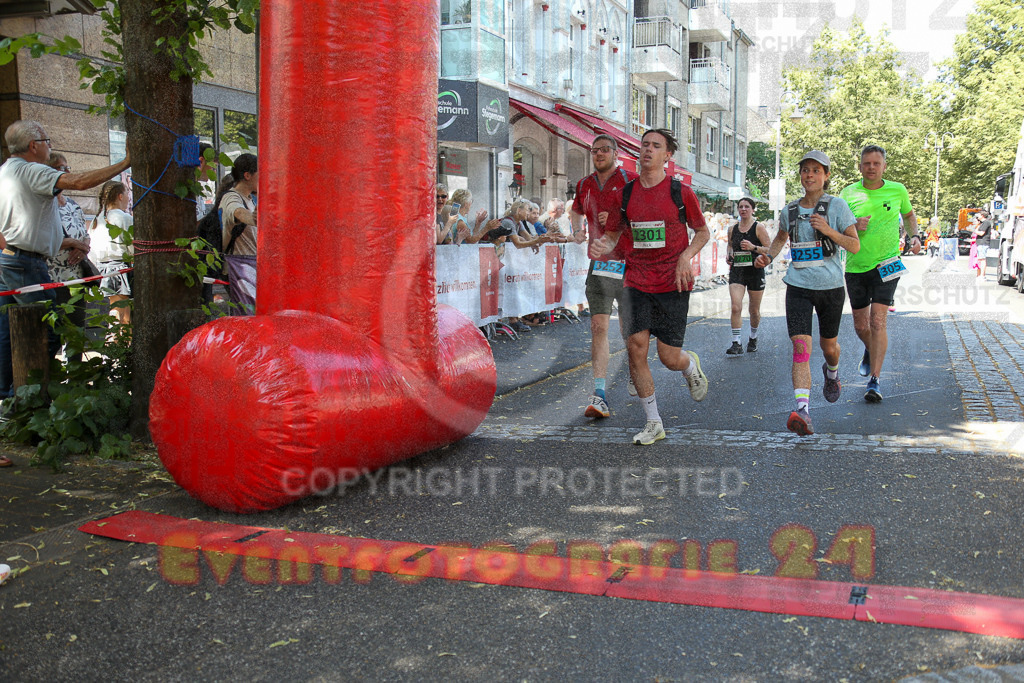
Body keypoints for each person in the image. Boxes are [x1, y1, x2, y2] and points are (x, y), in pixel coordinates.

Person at [590, 129, 710, 445]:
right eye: (645, 144)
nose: (648, 150)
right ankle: (653, 422)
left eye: (656, 146)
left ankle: (689, 366)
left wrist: (685, 256)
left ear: (667, 156)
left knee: (668, 357)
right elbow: (614, 234)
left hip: (672, 282)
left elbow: (702, 232)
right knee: (636, 347)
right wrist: (604, 244)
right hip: (636, 282)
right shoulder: (625, 195)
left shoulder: (681, 192)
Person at [0, 120, 130, 403]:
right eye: (47, 141)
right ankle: (30, 399)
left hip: (13, 259)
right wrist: (124, 163)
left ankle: (9, 396)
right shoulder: (32, 170)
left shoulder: (6, 171)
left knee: (9, 332)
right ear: (33, 146)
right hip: (27, 263)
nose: (50, 147)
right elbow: (80, 182)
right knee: (48, 331)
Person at [756, 150, 860, 436]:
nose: (809, 175)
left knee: (829, 347)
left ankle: (832, 372)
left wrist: (828, 230)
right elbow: (779, 239)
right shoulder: (790, 211)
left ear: (826, 176)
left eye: (816, 170)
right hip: (798, 287)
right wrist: (768, 257)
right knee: (801, 347)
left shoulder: (837, 206)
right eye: (805, 170)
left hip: (830, 288)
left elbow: (854, 245)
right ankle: (803, 410)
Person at [838, 145, 917, 403]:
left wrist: (915, 236)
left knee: (878, 322)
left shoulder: (898, 190)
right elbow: (836, 226)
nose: (871, 167)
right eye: (867, 163)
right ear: (860, 166)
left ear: (884, 166)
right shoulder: (848, 193)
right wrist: (853, 225)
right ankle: (871, 349)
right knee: (861, 326)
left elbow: (909, 215)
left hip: (888, 264)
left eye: (876, 163)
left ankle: (875, 380)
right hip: (856, 265)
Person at [569, 134, 639, 418]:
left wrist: (616, 220)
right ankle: (599, 394)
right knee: (598, 327)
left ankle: (636, 370)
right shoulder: (584, 184)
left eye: (605, 150)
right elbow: (575, 211)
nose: (599, 154)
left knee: (629, 330)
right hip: (599, 265)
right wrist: (577, 230)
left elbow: (643, 216)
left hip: (629, 265)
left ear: (616, 153)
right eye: (595, 150)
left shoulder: (630, 180)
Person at [44, 153, 95, 360]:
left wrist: (82, 248)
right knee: (54, 333)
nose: (66, 172)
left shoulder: (72, 204)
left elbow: (85, 235)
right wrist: (73, 243)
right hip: (53, 278)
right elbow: (44, 240)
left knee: (77, 332)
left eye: (67, 167)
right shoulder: (43, 205)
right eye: (60, 168)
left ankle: (75, 374)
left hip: (77, 277)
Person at [725, 196, 771, 355]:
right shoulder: (732, 229)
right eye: (740, 207)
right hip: (737, 271)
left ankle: (753, 337)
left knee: (754, 310)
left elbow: (770, 249)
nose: (743, 209)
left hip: (755, 271)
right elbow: (730, 246)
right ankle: (736, 342)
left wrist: (753, 247)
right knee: (736, 306)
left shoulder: (759, 227)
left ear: (752, 210)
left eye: (746, 207)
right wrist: (729, 255)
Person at [89, 181, 134, 327]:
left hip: (101, 270)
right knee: (120, 316)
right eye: (127, 193)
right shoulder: (124, 217)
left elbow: (91, 250)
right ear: (120, 196)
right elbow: (132, 245)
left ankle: (120, 338)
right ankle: (115, 340)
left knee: (121, 315)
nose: (128, 198)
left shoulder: (96, 220)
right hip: (119, 269)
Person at [218, 153, 258, 313]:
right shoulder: (230, 197)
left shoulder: (251, 198)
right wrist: (253, 218)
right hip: (239, 268)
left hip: (250, 267)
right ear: (247, 175)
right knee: (246, 316)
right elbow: (238, 212)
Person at [973, 210, 993, 279]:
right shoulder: (983, 223)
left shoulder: (986, 222)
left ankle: (982, 275)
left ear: (982, 215)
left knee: (982, 259)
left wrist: (975, 231)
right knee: (980, 259)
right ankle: (980, 275)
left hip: (983, 242)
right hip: (980, 242)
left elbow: (981, 233)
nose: (977, 216)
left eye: (979, 215)